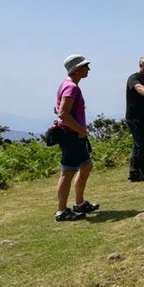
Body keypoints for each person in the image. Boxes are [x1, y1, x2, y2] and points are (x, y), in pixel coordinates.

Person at [53, 55, 98, 221]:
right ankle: (61, 211)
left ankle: (79, 203)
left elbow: (59, 109)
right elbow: (63, 114)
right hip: (72, 135)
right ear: (77, 70)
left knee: (86, 166)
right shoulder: (72, 87)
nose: (88, 69)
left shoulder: (66, 85)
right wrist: (80, 130)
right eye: (86, 66)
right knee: (68, 172)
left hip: (74, 134)